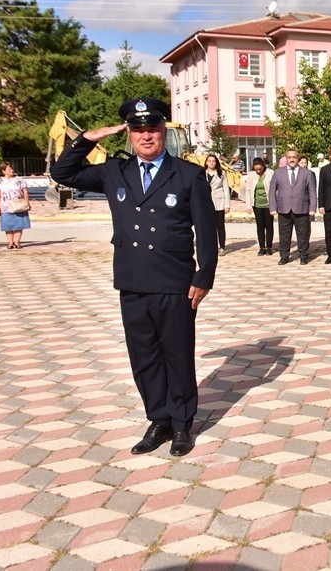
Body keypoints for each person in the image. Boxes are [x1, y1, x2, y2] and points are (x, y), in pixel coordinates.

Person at [51, 97, 217, 456]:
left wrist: (204, 276)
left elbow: (206, 231)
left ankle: (182, 423)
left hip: (175, 282)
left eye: (152, 129)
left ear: (163, 132)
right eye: (138, 130)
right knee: (144, 357)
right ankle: (158, 419)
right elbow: (62, 173)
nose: (146, 136)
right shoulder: (115, 172)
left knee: (177, 354)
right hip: (132, 279)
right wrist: (89, 138)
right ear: (129, 134)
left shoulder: (188, 174)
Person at [269, 149, 316, 265]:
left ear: (297, 158)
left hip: (302, 209)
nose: (292, 159)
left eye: (294, 157)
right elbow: (271, 191)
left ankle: (303, 256)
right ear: (286, 158)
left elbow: (312, 192)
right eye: (289, 157)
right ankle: (284, 256)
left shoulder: (307, 173)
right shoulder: (278, 172)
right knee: (284, 235)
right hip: (284, 209)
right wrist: (273, 207)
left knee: (303, 234)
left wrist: (312, 208)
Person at [241, 157, 274, 255]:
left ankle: (269, 246)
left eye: (260, 169)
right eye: (256, 170)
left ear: (264, 166)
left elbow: (274, 189)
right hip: (257, 204)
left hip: (268, 204)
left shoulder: (270, 173)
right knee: (260, 226)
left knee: (269, 226)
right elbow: (248, 190)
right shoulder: (251, 175)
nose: (258, 171)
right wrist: (248, 205)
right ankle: (262, 247)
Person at [0, 161, 31, 249]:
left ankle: (17, 242)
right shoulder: (0, 181)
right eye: (9, 169)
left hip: (18, 205)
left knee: (19, 224)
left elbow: (25, 192)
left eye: (12, 168)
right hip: (5, 206)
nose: (11, 170)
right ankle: (10, 242)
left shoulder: (19, 180)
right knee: (8, 225)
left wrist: (27, 203)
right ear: (4, 171)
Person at [203, 154, 231, 255]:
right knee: (209, 226)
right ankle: (212, 246)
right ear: (206, 162)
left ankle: (222, 247)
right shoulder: (202, 174)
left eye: (213, 161)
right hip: (207, 203)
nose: (211, 163)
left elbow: (226, 190)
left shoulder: (221, 173)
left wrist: (227, 205)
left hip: (219, 202)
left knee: (220, 226)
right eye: (209, 161)